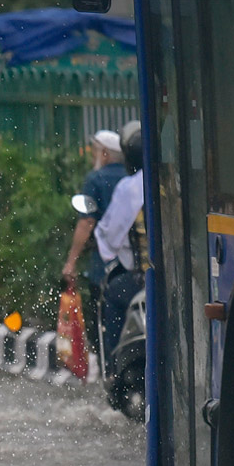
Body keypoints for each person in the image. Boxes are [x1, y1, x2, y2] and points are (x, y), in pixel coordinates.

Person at [62, 128, 128, 344]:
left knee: (104, 319)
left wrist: (71, 261)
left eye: (94, 152)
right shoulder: (132, 176)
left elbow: (86, 221)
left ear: (105, 154)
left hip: (103, 263)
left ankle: (108, 367)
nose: (93, 158)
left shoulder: (96, 179)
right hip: (133, 262)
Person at [94, 121, 146, 374]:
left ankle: (113, 370)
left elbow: (111, 236)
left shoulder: (129, 186)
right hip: (179, 279)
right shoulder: (170, 178)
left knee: (113, 295)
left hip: (143, 280)